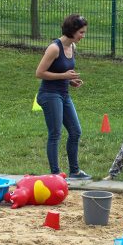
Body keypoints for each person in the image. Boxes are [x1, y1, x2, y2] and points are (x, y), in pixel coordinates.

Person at [36, 14, 92, 180]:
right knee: (55, 133)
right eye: (81, 32)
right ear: (72, 31)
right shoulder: (54, 48)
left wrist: (70, 81)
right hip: (49, 94)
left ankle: (74, 171)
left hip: (63, 94)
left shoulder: (72, 47)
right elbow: (39, 73)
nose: (83, 35)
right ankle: (55, 175)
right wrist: (63, 76)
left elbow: (63, 72)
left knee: (75, 131)